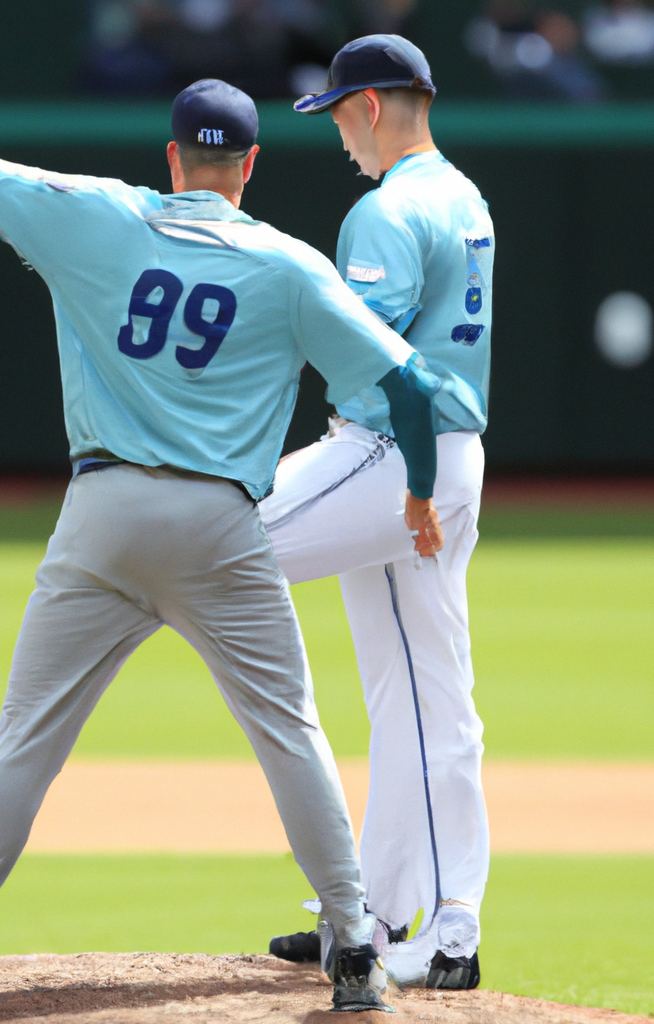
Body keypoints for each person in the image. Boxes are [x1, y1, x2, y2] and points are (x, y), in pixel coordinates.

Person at [0, 77, 445, 1015]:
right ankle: (359, 957)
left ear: (171, 157)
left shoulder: (95, 212)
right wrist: (416, 486)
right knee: (292, 734)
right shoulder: (291, 266)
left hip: (103, 518)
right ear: (250, 164)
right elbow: (412, 388)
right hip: (223, 532)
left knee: (26, 741)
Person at [262, 35, 492, 990]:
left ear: (364, 106)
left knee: (202, 542)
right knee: (418, 690)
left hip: (397, 458)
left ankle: (439, 929)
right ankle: (385, 912)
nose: (340, 140)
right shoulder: (463, 194)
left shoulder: (387, 208)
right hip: (447, 455)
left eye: (337, 117)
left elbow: (369, 352)